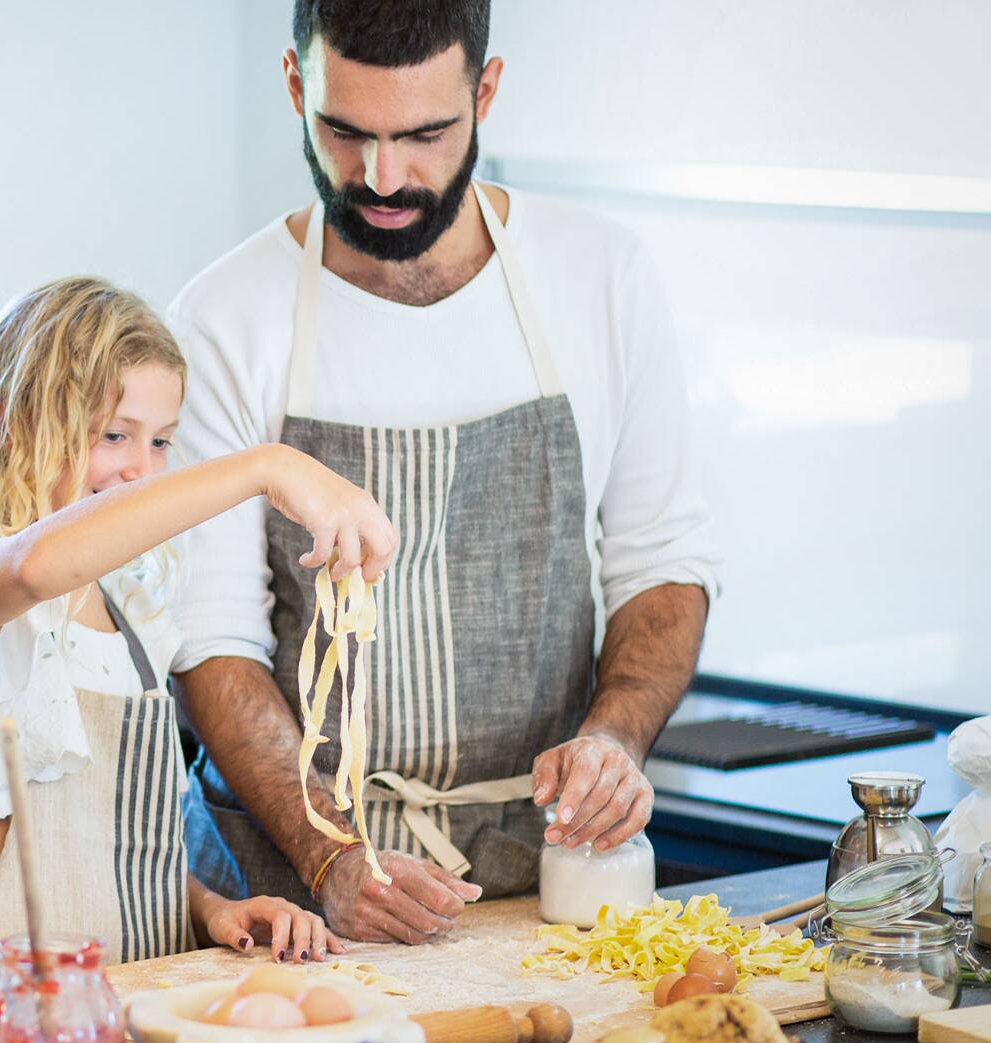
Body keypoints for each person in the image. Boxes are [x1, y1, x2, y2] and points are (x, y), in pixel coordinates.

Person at [169, 0, 722, 944]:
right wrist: (330, 856)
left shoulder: (599, 278)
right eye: (345, 132)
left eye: (425, 134)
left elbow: (660, 563)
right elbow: (210, 642)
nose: (384, 176)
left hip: (550, 875)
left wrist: (615, 738)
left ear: (486, 91)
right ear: (297, 88)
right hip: (290, 899)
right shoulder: (226, 317)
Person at [0, 277, 400, 1013]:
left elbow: (107, 849)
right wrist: (269, 466)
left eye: (161, 441)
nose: (141, 468)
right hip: (11, 1017)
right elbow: (40, 565)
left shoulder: (131, 617)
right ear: (10, 421)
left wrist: (209, 908)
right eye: (113, 435)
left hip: (149, 1005)